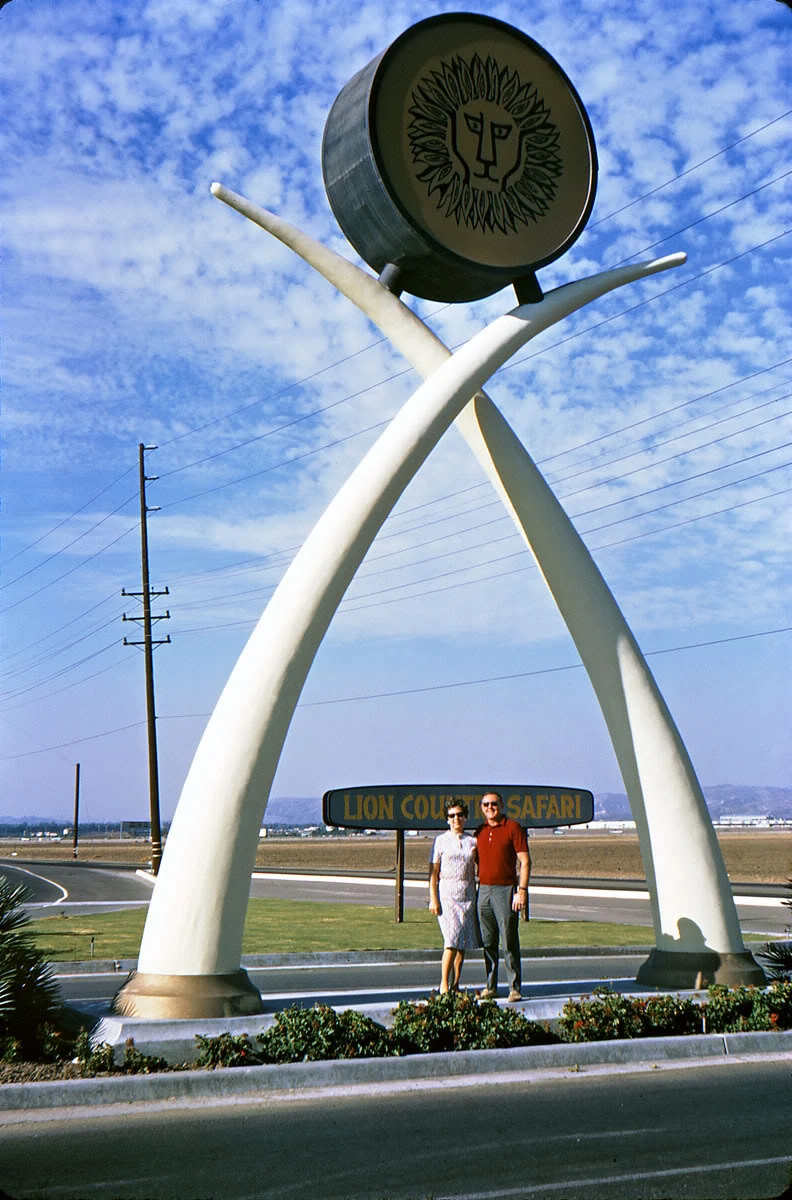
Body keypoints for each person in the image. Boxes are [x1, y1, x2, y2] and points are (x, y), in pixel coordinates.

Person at [475, 791, 530, 1002]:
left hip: (505, 890)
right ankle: (491, 986)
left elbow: (525, 861)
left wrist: (521, 890)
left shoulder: (512, 828)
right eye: (486, 804)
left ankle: (514, 987)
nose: (490, 807)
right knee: (488, 941)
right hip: (484, 891)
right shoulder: (480, 831)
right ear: (482, 807)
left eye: (494, 803)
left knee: (508, 940)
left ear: (501, 805)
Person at [428, 799, 481, 993]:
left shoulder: (472, 841)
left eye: (459, 815)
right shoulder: (440, 841)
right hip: (447, 894)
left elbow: (481, 866)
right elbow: (433, 872)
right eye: (452, 816)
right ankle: (444, 983)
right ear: (447, 819)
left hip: (467, 893)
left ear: (465, 817)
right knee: (451, 938)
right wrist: (433, 898)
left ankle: (456, 983)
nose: (456, 819)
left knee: (462, 941)